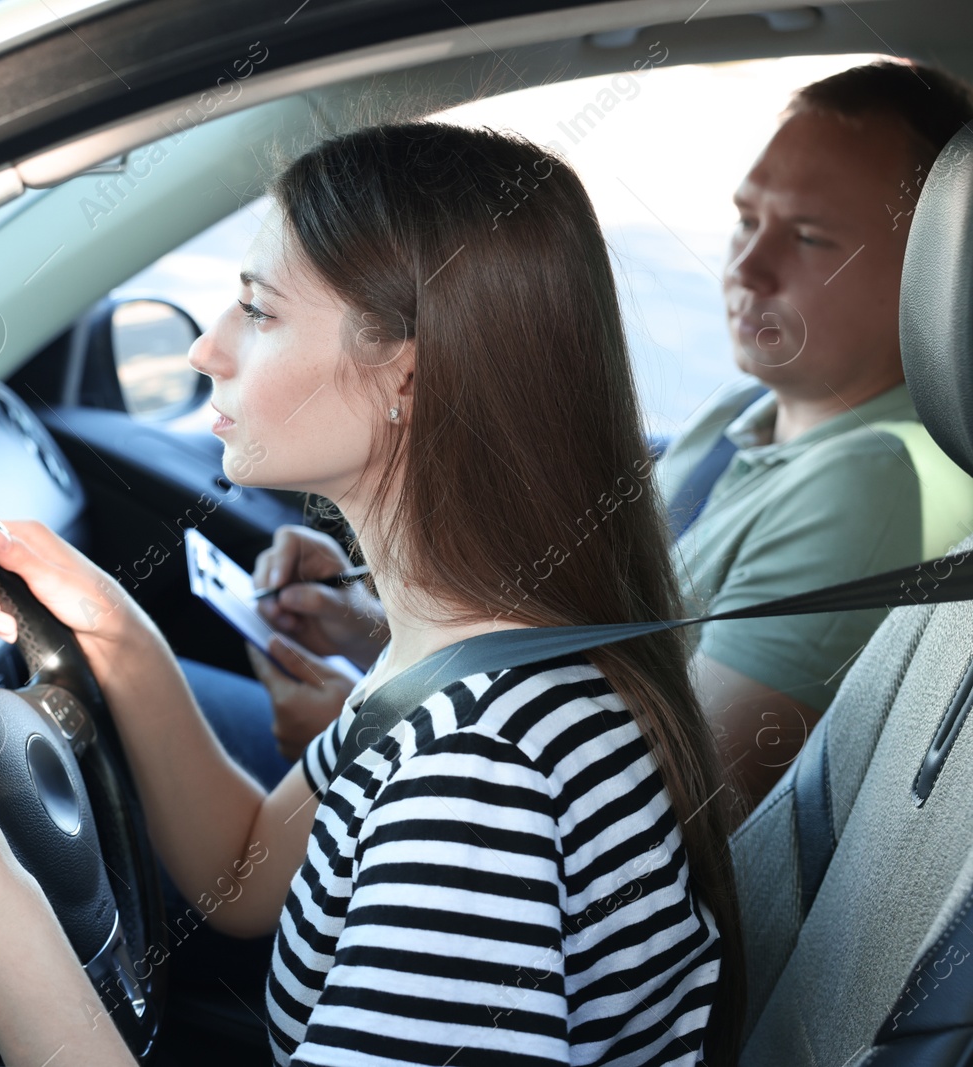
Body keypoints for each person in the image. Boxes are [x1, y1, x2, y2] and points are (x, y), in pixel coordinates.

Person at [0, 121, 745, 1065]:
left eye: (258, 310)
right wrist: (114, 636)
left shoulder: (481, 786)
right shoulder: (464, 658)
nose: (205, 348)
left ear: (406, 373)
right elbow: (245, 873)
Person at [231, 59, 973, 821]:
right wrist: (370, 622)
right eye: (748, 220)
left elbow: (681, 798)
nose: (748, 266)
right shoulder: (744, 411)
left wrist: (376, 736)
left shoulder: (877, 481)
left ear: (937, 264)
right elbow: (593, 648)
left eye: (811, 237)